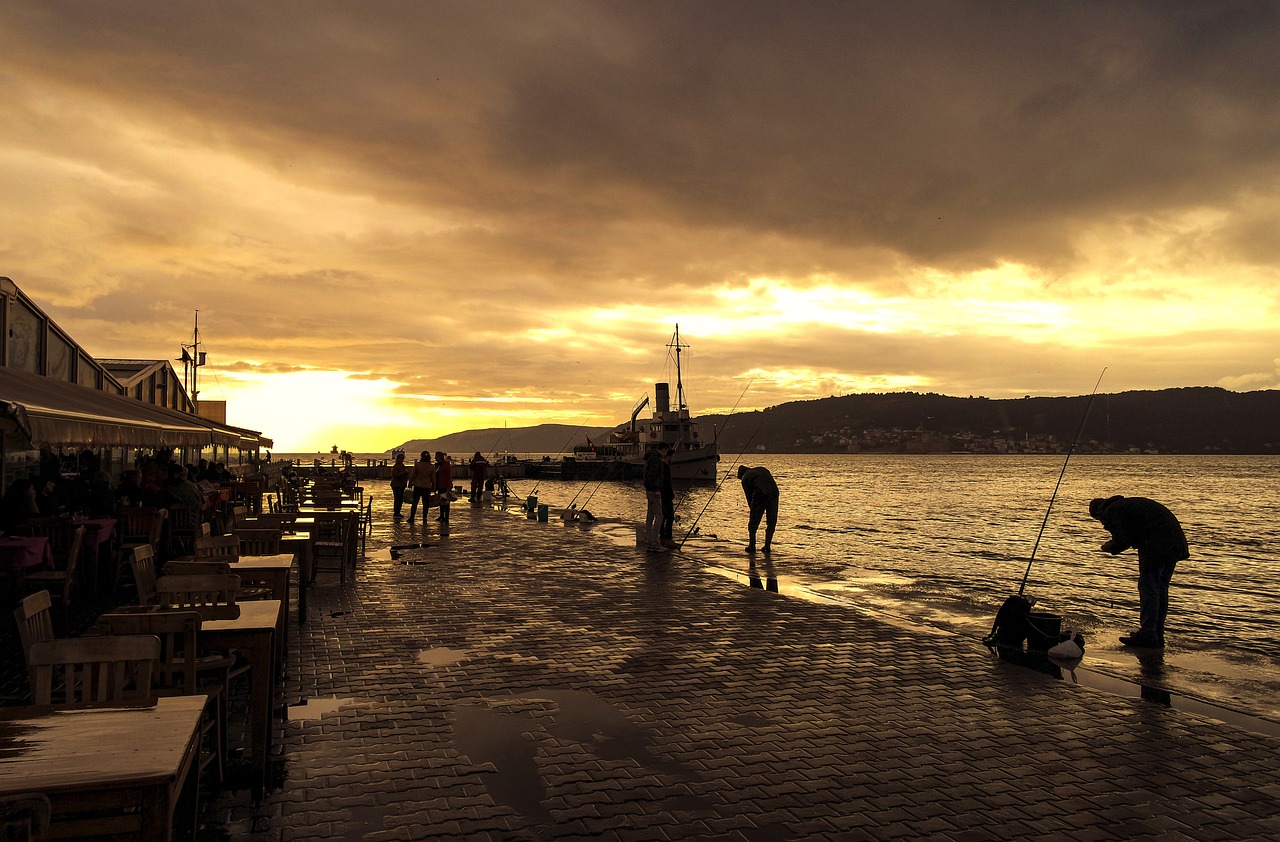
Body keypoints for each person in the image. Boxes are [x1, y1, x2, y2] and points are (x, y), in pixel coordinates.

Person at [1089, 495, 1189, 648]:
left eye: (1100, 521)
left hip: (1156, 545)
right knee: (1160, 589)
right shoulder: (1125, 504)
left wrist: (1109, 547)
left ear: (1098, 513)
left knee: (1149, 589)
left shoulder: (1111, 511)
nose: (1103, 525)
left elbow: (1121, 540)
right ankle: (1156, 634)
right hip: (1174, 543)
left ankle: (1148, 635)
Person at [738, 465, 779, 554]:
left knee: (753, 523)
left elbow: (749, 497)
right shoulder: (761, 469)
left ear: (741, 475)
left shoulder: (745, 478)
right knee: (771, 521)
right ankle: (767, 546)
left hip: (760, 492)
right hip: (774, 492)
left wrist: (753, 511)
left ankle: (752, 546)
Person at [642, 445, 666, 551]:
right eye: (666, 451)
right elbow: (653, 475)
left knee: (650, 515)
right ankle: (655, 542)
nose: (665, 454)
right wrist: (656, 489)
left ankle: (649, 539)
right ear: (663, 449)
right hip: (653, 491)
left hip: (649, 490)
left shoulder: (649, 458)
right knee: (659, 516)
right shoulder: (656, 459)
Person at [406, 451, 435, 524]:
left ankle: (412, 517)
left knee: (415, 502)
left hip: (418, 485)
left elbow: (412, 475)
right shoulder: (432, 467)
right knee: (425, 504)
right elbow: (433, 479)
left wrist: (410, 483)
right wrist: (434, 487)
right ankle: (424, 518)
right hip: (427, 486)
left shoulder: (417, 465)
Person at [435, 451, 453, 525]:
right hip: (440, 485)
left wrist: (448, 487)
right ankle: (441, 515)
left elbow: (448, 476)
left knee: (446, 502)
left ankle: (446, 516)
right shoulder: (439, 465)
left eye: (436, 456)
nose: (435, 458)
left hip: (445, 485)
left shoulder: (446, 465)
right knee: (441, 501)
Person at [389, 451, 409, 520]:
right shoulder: (395, 466)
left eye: (402, 458)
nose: (401, 460)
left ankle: (398, 512)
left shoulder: (402, 465)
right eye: (400, 458)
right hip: (396, 485)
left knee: (400, 499)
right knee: (397, 499)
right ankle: (396, 512)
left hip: (401, 485)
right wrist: (404, 472)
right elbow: (395, 475)